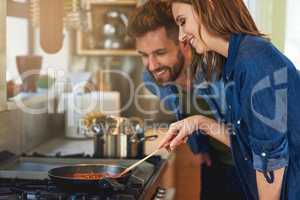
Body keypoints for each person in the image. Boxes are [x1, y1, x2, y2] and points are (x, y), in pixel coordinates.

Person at [159, 0, 300, 199]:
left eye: (183, 21)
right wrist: (198, 122)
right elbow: (249, 145)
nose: (181, 36)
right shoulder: (238, 60)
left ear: (209, 6)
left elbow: (271, 163)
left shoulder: (254, 60)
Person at [127, 1, 245, 199]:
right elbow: (184, 113)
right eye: (144, 55)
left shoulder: (219, 71)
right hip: (215, 165)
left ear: (184, 42)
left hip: (250, 166)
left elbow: (255, 142)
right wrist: (199, 148)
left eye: (160, 53)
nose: (152, 65)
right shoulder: (151, 79)